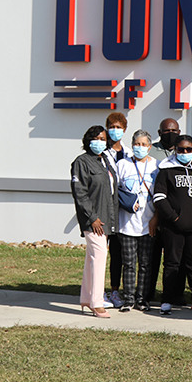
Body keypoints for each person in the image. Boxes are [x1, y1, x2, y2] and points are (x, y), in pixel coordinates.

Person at [153, 134, 192, 315]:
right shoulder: (166, 170)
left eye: (189, 149)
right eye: (181, 149)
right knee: (172, 263)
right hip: (173, 226)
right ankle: (167, 300)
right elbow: (159, 197)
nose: (185, 152)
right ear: (175, 150)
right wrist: (174, 218)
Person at [71, 125, 117, 318]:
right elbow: (80, 193)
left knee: (93, 259)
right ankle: (97, 303)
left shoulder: (104, 160)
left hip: (106, 217)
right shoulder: (81, 162)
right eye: (96, 138)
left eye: (103, 139)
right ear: (88, 140)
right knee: (99, 259)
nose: (100, 142)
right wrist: (92, 218)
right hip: (94, 220)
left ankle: (86, 299)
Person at [114, 129, 159, 312]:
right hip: (126, 224)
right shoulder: (122, 164)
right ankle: (129, 299)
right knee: (129, 263)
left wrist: (156, 217)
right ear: (132, 145)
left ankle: (142, 298)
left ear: (150, 146)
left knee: (146, 263)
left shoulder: (157, 166)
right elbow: (114, 190)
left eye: (144, 144)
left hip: (148, 223)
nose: (140, 147)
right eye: (137, 144)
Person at [146, 117, 180, 304]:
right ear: (159, 133)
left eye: (174, 130)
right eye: (167, 131)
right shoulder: (152, 151)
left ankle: (174, 294)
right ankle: (147, 293)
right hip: (154, 211)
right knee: (151, 257)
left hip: (176, 214)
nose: (171, 133)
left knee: (174, 259)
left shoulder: (185, 151)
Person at [103, 112, 128, 309]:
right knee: (102, 251)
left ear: (125, 130)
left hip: (123, 212)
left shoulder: (129, 153)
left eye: (118, 127)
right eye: (111, 126)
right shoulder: (101, 153)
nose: (115, 130)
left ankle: (115, 289)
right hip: (105, 210)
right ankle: (98, 289)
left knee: (118, 253)